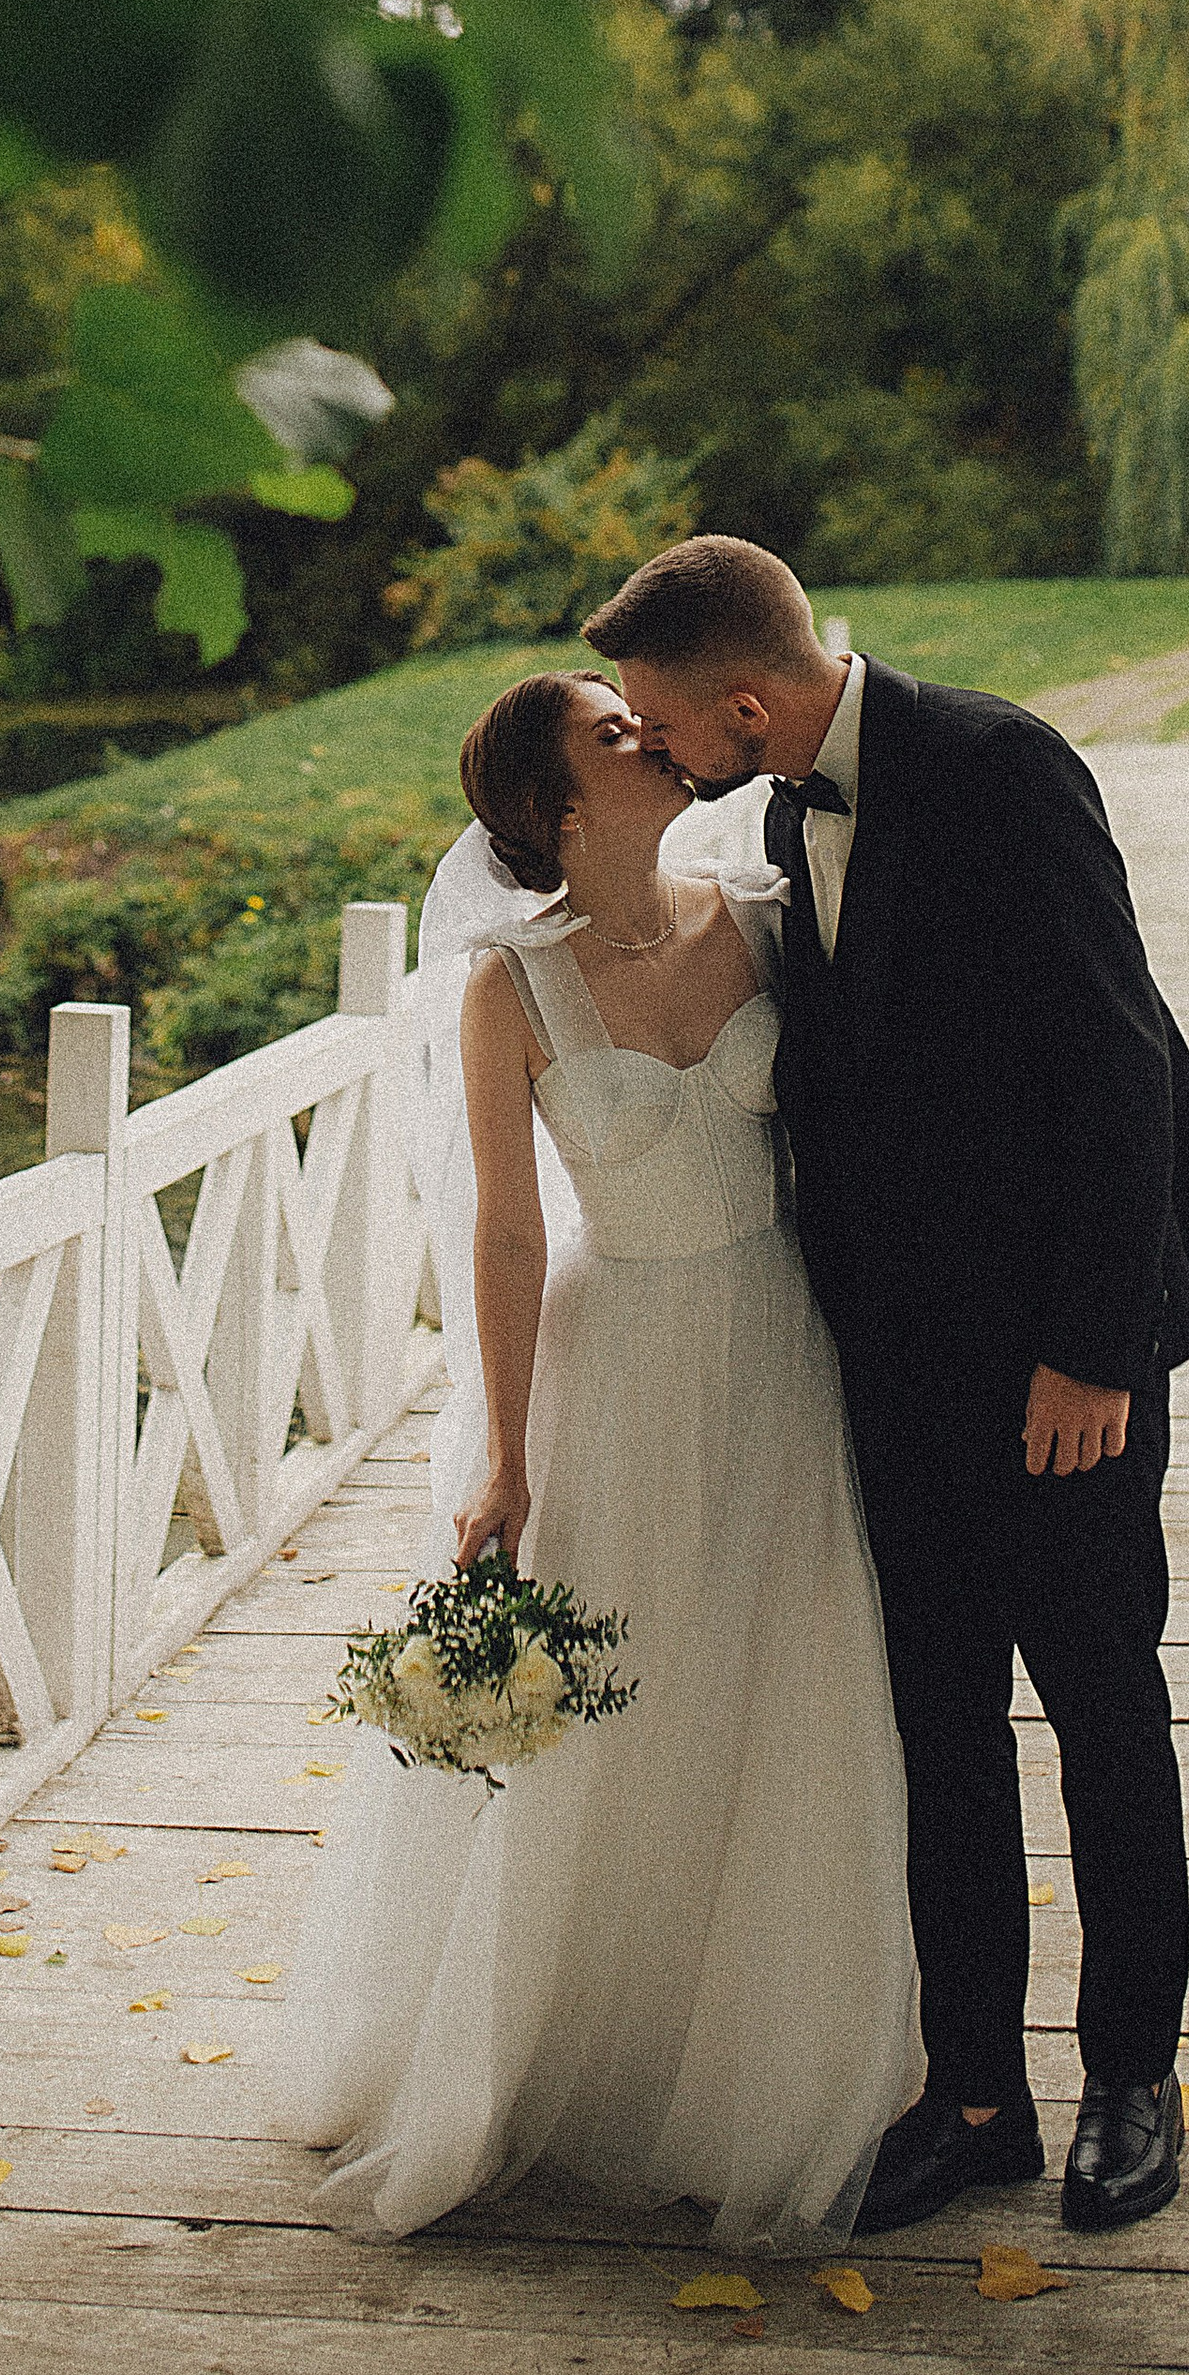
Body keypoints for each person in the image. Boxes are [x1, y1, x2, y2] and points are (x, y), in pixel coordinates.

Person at [581, 538, 1189, 2239]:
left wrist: (1095, 1350)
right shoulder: (766, 819)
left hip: (1061, 1360)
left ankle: (1133, 2083)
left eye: (671, 733)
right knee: (940, 1729)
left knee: (1102, 1714)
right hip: (887, 1366)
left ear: (746, 702)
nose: (664, 762)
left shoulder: (1000, 764)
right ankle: (974, 2094)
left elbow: (1118, 1060)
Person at [270, 668, 922, 2247]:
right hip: (612, 1357)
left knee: (777, 1676)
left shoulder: (761, 918)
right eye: (614, 736)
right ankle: (563, 2049)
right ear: (558, 808)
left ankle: (756, 2066)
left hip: (778, 1341)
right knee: (614, 1691)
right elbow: (501, 1230)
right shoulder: (511, 986)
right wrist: (500, 1452)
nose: (656, 739)